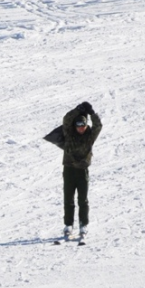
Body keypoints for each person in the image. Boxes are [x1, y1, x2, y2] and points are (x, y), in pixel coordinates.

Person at [61, 101, 102, 238]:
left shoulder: (90, 137)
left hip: (82, 171)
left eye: (83, 125)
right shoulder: (69, 134)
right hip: (69, 170)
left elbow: (98, 126)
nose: (80, 128)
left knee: (82, 200)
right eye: (78, 125)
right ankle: (68, 225)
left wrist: (92, 113)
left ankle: (83, 225)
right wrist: (76, 110)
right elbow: (66, 120)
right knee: (68, 199)